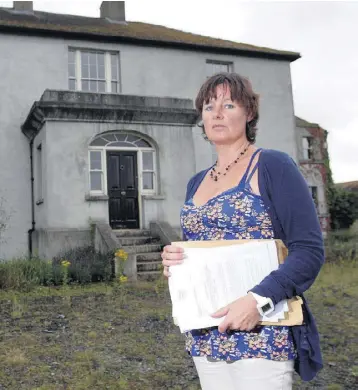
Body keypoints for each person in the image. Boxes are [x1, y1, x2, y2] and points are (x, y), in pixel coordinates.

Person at [161, 72, 324, 390]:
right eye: (209, 107)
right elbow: (203, 250)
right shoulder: (196, 182)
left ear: (249, 113)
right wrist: (176, 260)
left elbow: (309, 250)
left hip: (261, 327)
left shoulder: (273, 166)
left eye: (229, 104)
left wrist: (257, 301)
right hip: (206, 330)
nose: (217, 113)